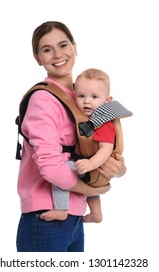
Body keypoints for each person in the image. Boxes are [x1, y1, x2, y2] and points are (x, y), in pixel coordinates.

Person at [16, 21, 126, 252]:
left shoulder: (88, 96)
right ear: (37, 58)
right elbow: (49, 167)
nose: (57, 54)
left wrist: (116, 169)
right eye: (47, 49)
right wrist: (92, 189)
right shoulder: (44, 100)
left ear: (75, 48)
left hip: (76, 215)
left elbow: (105, 147)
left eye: (63, 45)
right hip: (45, 216)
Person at [42, 68, 116, 223]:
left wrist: (90, 163)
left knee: (63, 170)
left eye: (94, 97)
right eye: (81, 96)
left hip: (95, 164)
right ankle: (96, 214)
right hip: (91, 166)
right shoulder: (86, 118)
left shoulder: (102, 123)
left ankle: (61, 209)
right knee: (88, 184)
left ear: (107, 101)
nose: (87, 101)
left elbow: (106, 148)